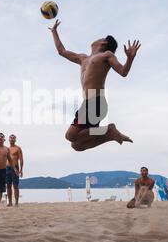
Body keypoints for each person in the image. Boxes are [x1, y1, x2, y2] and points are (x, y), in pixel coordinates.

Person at [49, 19, 141, 152]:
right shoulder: (83, 58)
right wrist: (54, 32)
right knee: (77, 145)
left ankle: (109, 130)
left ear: (103, 42)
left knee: (70, 135)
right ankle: (109, 134)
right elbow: (62, 51)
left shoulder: (106, 55)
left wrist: (130, 59)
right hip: (87, 104)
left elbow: (123, 71)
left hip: (96, 102)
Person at [6, 135, 24, 207]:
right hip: (7, 168)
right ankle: (10, 202)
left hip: (15, 168)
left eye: (13, 138)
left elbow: (21, 159)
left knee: (15, 185)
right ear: (9, 140)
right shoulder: (6, 149)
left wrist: (21, 170)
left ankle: (16, 202)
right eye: (11, 138)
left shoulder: (18, 148)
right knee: (8, 186)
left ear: (15, 140)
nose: (12, 139)